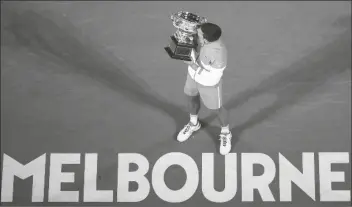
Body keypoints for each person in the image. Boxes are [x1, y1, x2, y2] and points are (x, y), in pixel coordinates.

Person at [177, 22, 232, 155]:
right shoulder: (205, 38)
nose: (196, 34)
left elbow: (214, 75)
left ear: (206, 39)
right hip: (192, 76)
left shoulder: (219, 53)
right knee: (190, 97)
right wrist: (183, 40)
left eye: (199, 34)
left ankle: (226, 132)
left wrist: (193, 64)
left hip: (209, 83)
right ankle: (193, 123)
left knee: (217, 109)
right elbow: (194, 44)